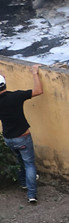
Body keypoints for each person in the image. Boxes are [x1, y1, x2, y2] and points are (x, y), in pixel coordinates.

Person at [0, 65, 42, 203]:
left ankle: (23, 183)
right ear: (5, 83)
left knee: (19, 161)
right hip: (22, 137)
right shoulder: (16, 96)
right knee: (29, 164)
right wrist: (35, 73)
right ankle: (31, 194)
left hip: (8, 138)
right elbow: (38, 90)